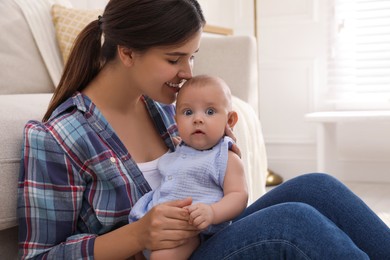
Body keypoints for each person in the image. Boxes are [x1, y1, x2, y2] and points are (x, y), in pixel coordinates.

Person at [17, 0, 390, 259]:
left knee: (317, 187)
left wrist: (223, 153)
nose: (188, 72)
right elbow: (41, 256)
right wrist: (138, 234)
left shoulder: (168, 108)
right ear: (127, 53)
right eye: (174, 58)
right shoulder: (57, 138)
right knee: (293, 223)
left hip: (207, 233)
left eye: (192, 55)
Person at [128, 75, 248, 260]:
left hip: (192, 231)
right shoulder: (179, 149)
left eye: (209, 112)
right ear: (176, 120)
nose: (197, 119)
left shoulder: (225, 157)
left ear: (230, 120)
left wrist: (213, 212)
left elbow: (239, 195)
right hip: (153, 226)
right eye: (188, 112)